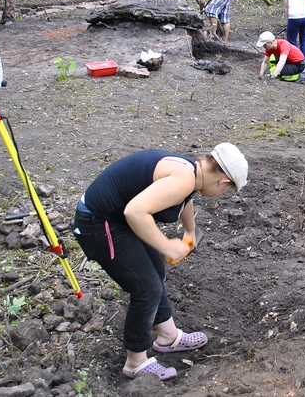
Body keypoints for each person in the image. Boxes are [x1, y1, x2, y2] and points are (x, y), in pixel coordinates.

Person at [71, 144, 248, 381]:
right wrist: (166, 246)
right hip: (98, 223)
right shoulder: (184, 178)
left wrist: (190, 231)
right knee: (146, 289)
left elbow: (185, 199)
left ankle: (168, 336)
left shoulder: (193, 172)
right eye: (228, 190)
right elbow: (135, 212)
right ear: (224, 182)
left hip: (116, 219)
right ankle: (136, 362)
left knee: (156, 272)